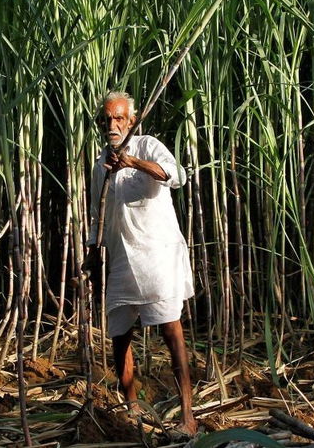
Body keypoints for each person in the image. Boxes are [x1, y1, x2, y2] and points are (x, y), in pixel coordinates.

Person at [86, 91, 198, 436]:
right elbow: (97, 214)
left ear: (131, 121)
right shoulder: (99, 164)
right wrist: (92, 250)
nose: (112, 125)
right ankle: (131, 408)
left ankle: (188, 416)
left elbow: (176, 175)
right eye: (106, 120)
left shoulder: (148, 145)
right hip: (122, 256)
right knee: (120, 333)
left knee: (170, 329)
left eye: (119, 118)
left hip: (157, 254)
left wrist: (132, 162)